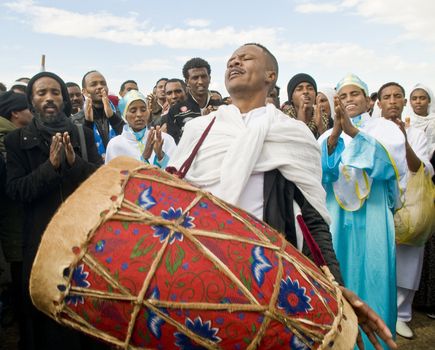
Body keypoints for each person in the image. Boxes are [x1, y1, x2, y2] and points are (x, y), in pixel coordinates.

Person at [169, 44, 396, 350]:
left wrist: (336, 287)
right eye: (231, 59)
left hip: (267, 280)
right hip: (200, 272)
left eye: (246, 57)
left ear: (270, 75)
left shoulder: (293, 134)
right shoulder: (199, 131)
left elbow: (314, 219)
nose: (235, 60)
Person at [5, 71, 104, 350]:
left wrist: (75, 166)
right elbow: (17, 190)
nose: (49, 98)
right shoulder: (17, 141)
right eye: (41, 93)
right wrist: (51, 168)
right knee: (47, 321)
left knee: (84, 316)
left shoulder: (83, 136)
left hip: (84, 243)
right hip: (41, 244)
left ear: (63, 99)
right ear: (32, 101)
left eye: (55, 92)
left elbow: (100, 181)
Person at [318, 73, 407, 349]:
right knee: (339, 273)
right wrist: (334, 138)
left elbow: (390, 168)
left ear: (368, 100)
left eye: (354, 94)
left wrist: (354, 134)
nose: (348, 101)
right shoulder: (325, 134)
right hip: (338, 218)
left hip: (374, 215)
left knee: (375, 272)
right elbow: (321, 176)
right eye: (342, 96)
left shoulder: (385, 129)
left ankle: (375, 341)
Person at [377, 82, 434, 339]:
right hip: (378, 204)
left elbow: (419, 168)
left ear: (404, 102)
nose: (392, 101)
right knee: (380, 258)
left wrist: (404, 139)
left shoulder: (417, 134)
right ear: (378, 103)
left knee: (408, 260)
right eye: (386, 97)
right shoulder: (371, 131)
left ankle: (402, 314)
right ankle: (379, 310)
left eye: (397, 96)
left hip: (410, 206)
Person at [105, 90, 176, 167]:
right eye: (133, 111)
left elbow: (175, 172)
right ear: (124, 116)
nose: (139, 114)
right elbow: (114, 176)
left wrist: (161, 156)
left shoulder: (165, 139)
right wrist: (144, 157)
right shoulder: (115, 144)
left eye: (143, 110)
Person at [71, 70, 124, 159]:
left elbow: (131, 140)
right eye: (94, 84)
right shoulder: (76, 120)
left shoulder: (120, 113)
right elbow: (80, 152)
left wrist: (113, 118)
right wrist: (88, 123)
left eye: (103, 83)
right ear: (84, 91)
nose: (100, 87)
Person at [166, 57, 213, 143]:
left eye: (203, 76)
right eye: (195, 78)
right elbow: (173, 145)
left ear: (209, 78)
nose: (200, 82)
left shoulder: (222, 107)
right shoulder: (175, 111)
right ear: (187, 81)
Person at [281, 73, 329, 138]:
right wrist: (301, 117)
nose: (305, 91)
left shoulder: (325, 118)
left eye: (310, 88)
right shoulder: (283, 120)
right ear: (291, 98)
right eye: (299, 89)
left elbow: (327, 145)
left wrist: (320, 126)